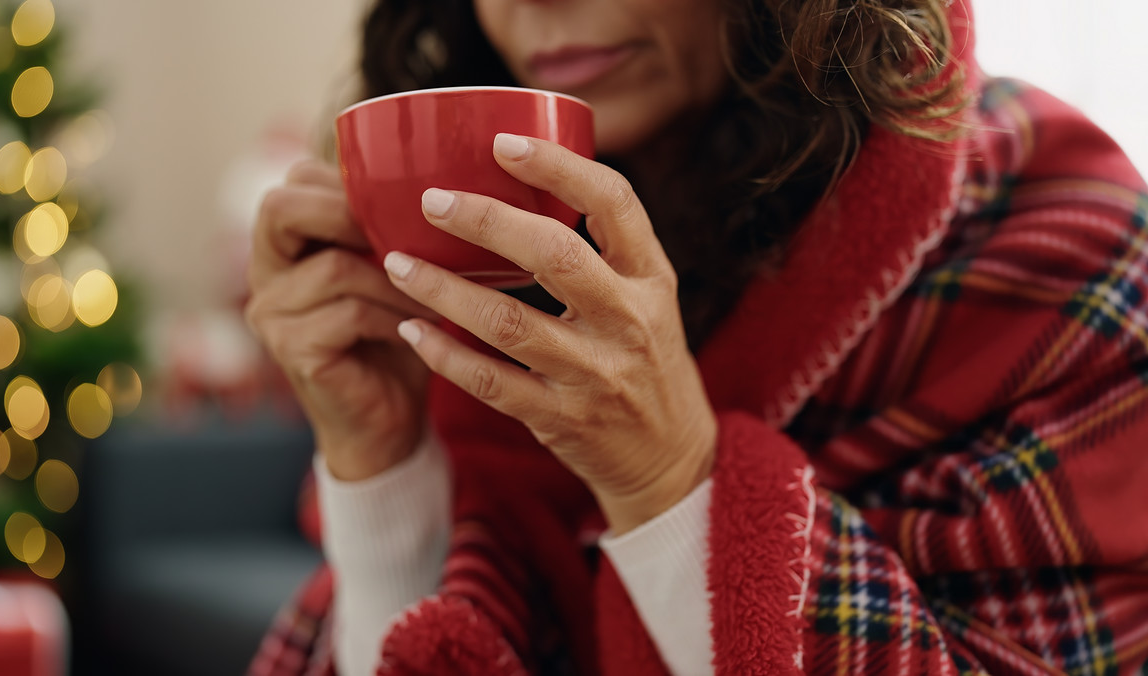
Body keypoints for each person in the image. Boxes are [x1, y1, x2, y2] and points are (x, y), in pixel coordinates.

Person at [245, 0, 1148, 673]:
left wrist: (670, 478)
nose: (537, 5)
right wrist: (382, 472)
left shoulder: (1058, 228)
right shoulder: (497, 257)